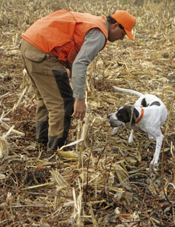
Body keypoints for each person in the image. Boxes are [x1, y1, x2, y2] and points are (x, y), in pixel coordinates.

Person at [20, 9, 136, 150]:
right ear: (115, 25)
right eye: (123, 34)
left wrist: (68, 68)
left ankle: (43, 140)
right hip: (43, 51)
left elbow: (73, 45)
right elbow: (80, 63)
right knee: (63, 103)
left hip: (29, 44)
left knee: (46, 99)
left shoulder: (94, 21)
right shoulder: (99, 34)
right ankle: (56, 148)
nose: (122, 38)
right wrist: (79, 99)